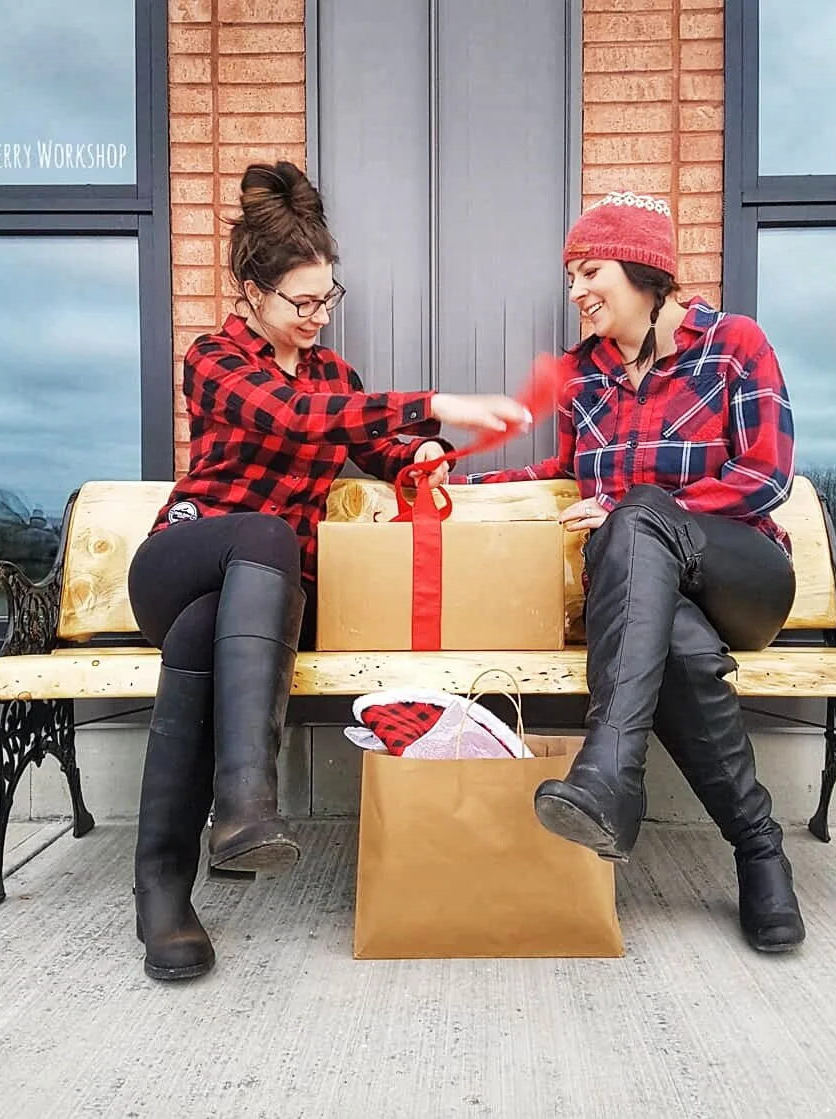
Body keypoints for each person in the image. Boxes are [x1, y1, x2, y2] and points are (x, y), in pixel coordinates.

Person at [127, 161, 529, 981]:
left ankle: (163, 890)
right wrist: (435, 402)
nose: (316, 317)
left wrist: (421, 451)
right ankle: (245, 804)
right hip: (182, 556)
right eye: (299, 302)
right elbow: (293, 418)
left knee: (209, 633)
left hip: (254, 606)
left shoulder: (335, 378)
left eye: (326, 299)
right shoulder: (214, 360)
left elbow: (370, 442)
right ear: (249, 291)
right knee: (266, 535)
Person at [456, 190, 805, 953]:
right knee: (676, 639)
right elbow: (560, 470)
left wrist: (633, 508)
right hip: (652, 599)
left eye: (590, 271)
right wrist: (450, 480)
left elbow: (768, 475)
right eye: (570, 277)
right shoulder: (583, 376)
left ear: (645, 271)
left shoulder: (734, 344)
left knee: (638, 514)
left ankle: (613, 768)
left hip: (743, 575)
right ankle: (759, 849)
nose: (575, 291)